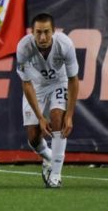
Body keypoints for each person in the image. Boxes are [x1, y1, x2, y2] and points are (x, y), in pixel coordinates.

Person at [16, 13, 79, 188]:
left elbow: (74, 80)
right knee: (33, 137)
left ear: (54, 31)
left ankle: (56, 176)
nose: (42, 37)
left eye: (46, 32)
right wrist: (40, 117)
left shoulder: (65, 44)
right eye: (38, 32)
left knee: (58, 118)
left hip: (59, 83)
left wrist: (70, 116)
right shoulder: (23, 48)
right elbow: (26, 84)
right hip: (35, 87)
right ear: (32, 32)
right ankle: (50, 158)